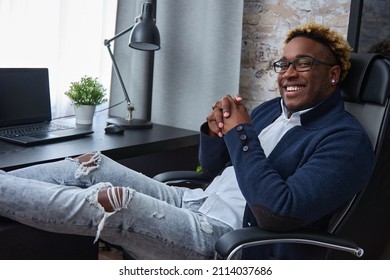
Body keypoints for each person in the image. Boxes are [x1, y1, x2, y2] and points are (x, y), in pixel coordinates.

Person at [0, 22, 373, 260]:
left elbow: (277, 213)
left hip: (229, 234)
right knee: (89, 163)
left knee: (116, 204)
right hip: (196, 200)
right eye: (284, 64)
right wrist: (214, 132)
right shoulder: (273, 110)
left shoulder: (344, 142)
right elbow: (212, 170)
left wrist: (242, 135)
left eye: (303, 63)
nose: (288, 73)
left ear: (334, 74)